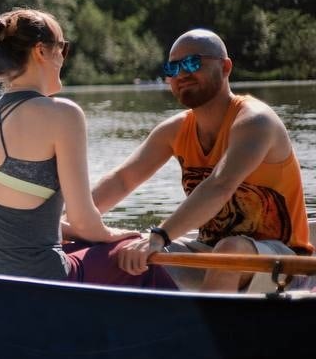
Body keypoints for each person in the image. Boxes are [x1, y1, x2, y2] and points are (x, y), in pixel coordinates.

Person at [79, 29, 310, 292]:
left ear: (225, 67)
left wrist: (160, 235)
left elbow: (220, 184)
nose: (181, 74)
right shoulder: (174, 130)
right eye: (172, 67)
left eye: (192, 63)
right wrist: (74, 221)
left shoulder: (256, 121)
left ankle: (205, 331)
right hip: (209, 251)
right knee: (125, 247)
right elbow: (123, 180)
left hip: (286, 264)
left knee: (228, 251)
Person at [0, 8, 139, 279]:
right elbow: (83, 220)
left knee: (84, 244)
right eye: (62, 48)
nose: (63, 58)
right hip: (35, 282)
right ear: (41, 51)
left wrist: (81, 232)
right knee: (136, 255)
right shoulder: (63, 114)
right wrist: (120, 235)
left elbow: (16, 218)